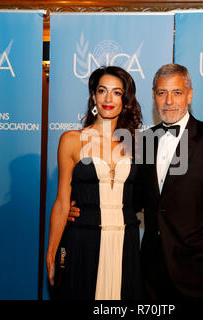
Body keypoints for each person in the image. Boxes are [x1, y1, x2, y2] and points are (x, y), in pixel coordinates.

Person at [69, 63, 203, 300]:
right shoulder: (144, 141)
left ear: (189, 95)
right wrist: (84, 208)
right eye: (162, 93)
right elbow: (133, 196)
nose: (169, 101)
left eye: (177, 92)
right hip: (149, 272)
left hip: (197, 271)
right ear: (153, 96)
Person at [46, 66, 143, 300]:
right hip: (82, 238)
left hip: (125, 240)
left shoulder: (139, 143)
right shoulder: (71, 140)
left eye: (117, 92)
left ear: (126, 100)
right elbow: (61, 202)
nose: (108, 99)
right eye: (102, 91)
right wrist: (51, 253)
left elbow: (146, 197)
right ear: (93, 96)